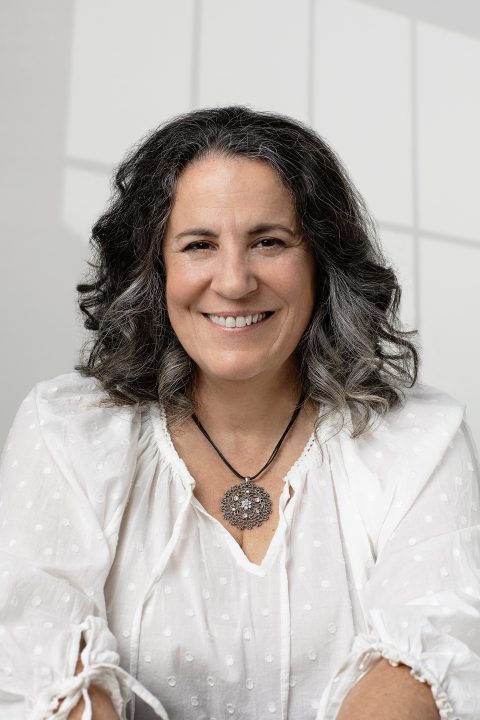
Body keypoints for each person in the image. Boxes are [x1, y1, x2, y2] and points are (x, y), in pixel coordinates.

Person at [0, 105, 478, 720]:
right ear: (155, 269)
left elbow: (420, 675)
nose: (233, 281)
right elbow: (44, 671)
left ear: (321, 264)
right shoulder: (65, 431)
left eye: (269, 242)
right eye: (199, 244)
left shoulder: (421, 439)